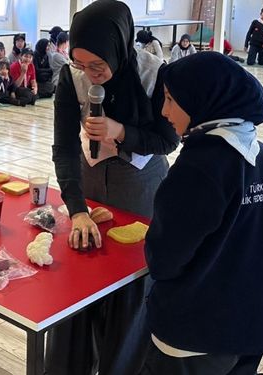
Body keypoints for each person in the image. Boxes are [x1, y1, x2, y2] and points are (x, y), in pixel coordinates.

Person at [47, 1, 179, 374]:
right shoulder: (71, 78)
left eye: (97, 65)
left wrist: (121, 132)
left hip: (140, 187)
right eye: (81, 64)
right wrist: (76, 210)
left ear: (118, 47)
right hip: (89, 183)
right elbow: (64, 147)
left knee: (130, 294)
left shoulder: (154, 73)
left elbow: (168, 141)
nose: (89, 74)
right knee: (80, 285)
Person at [140, 51, 263, 374]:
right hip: (250, 328)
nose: (164, 112)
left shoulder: (197, 169)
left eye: (169, 99)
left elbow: (164, 260)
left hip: (192, 337)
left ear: (201, 100)